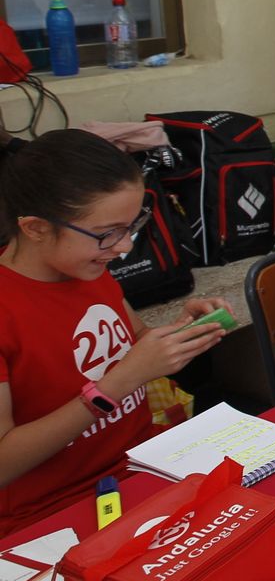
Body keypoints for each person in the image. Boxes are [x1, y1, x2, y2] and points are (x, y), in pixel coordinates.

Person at [0, 130, 231, 536]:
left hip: (144, 466)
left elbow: (132, 342)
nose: (124, 247)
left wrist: (179, 335)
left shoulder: (86, 268)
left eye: (132, 226)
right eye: (108, 233)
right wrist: (116, 385)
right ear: (35, 228)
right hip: (52, 511)